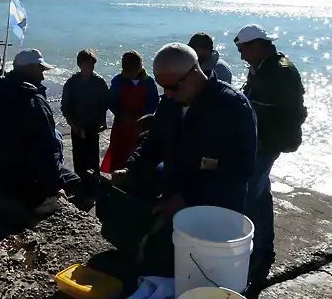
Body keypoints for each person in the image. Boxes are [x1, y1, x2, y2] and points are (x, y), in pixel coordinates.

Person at [104, 43, 257, 273]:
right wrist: (130, 170)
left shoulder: (233, 107)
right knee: (169, 266)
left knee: (204, 271)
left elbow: (240, 170)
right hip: (174, 202)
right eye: (162, 87)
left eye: (172, 86)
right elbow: (153, 143)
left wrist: (188, 198)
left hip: (215, 211)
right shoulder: (171, 102)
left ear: (195, 73)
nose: (166, 93)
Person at [233, 24, 307, 285]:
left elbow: (282, 112)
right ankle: (264, 247)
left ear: (256, 45)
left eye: (243, 49)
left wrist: (262, 139)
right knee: (260, 192)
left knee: (252, 193)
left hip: (267, 142)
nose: (241, 55)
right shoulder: (266, 66)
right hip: (264, 140)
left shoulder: (279, 72)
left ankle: (256, 251)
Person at [0, 49, 81, 210]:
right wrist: (55, 186)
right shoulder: (33, 99)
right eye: (41, 69)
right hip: (25, 177)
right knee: (78, 184)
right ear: (30, 68)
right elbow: (47, 147)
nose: (43, 75)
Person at [61, 49, 109, 199]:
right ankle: (80, 188)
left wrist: (103, 120)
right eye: (88, 64)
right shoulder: (72, 83)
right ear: (80, 64)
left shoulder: (99, 81)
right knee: (79, 159)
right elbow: (66, 108)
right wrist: (75, 126)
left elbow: (104, 104)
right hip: (77, 125)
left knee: (93, 159)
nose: (91, 67)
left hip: (93, 126)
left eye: (92, 64)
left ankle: (93, 190)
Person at [102, 50, 160, 173]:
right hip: (122, 125)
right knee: (118, 151)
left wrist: (143, 117)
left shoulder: (149, 82)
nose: (126, 73)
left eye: (130, 71)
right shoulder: (117, 81)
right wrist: (122, 114)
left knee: (138, 151)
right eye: (125, 70)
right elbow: (111, 102)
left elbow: (154, 103)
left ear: (139, 68)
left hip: (141, 126)